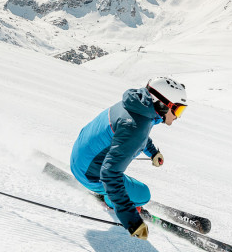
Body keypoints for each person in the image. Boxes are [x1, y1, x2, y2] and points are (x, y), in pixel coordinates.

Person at [70, 77, 187, 240]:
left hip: (80, 158)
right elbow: (109, 175)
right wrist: (132, 220)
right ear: (162, 104)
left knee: (128, 185)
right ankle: (110, 202)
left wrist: (153, 152)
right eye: (178, 110)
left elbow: (135, 133)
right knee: (144, 195)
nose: (178, 116)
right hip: (90, 174)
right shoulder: (136, 126)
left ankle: (113, 196)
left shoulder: (137, 106)